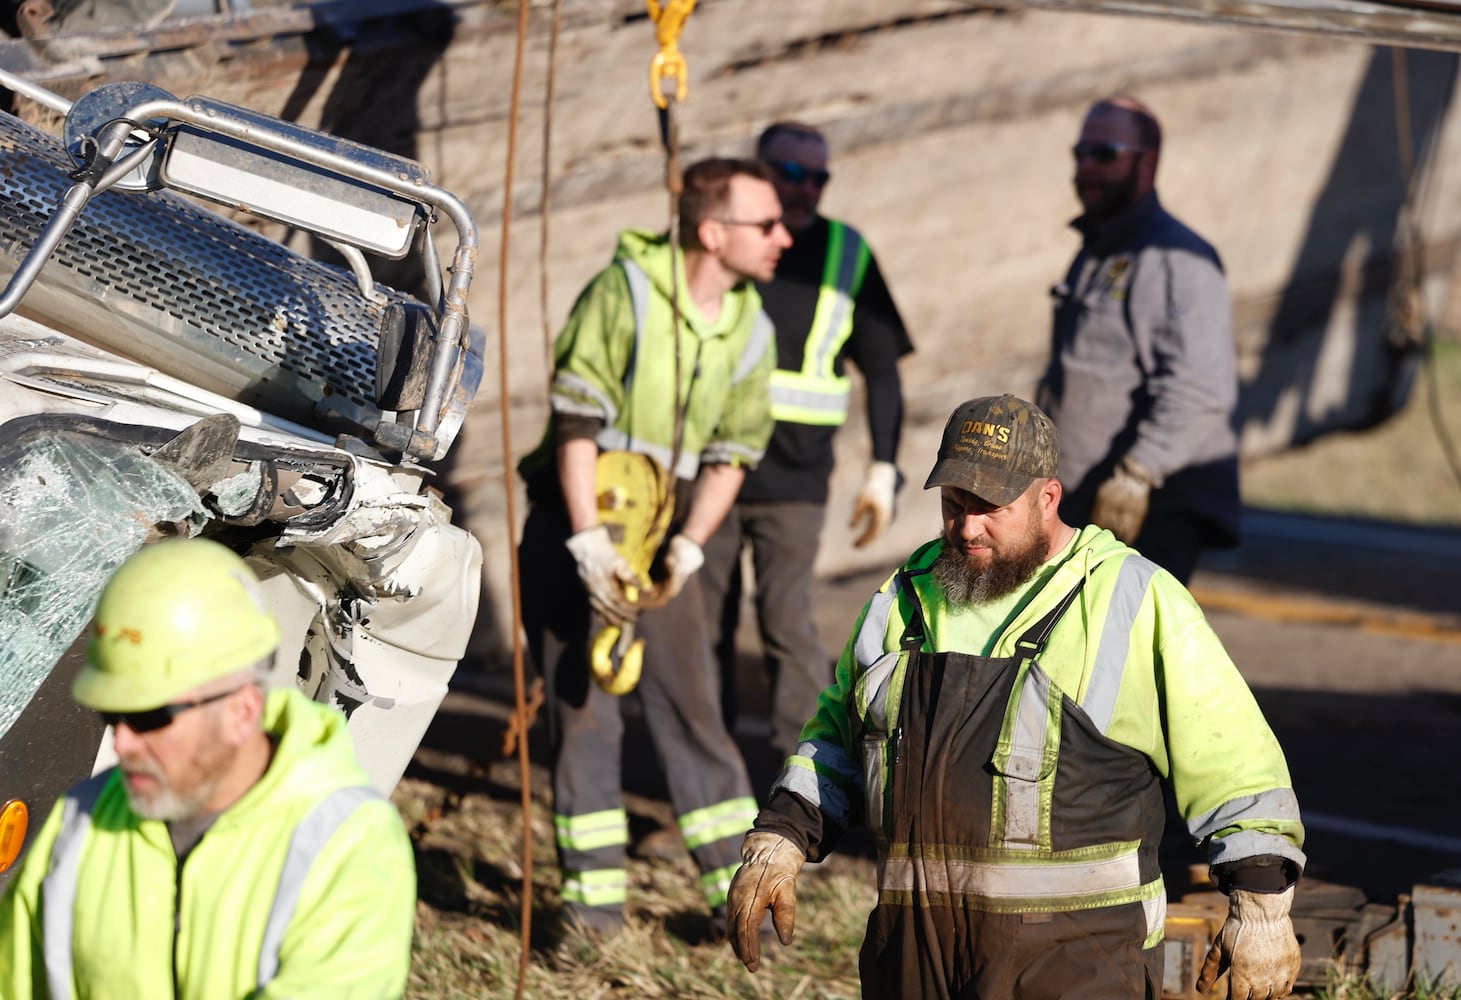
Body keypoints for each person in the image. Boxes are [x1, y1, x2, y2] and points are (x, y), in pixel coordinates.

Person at [726, 394, 1305, 999]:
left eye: (988, 508)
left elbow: (1233, 764)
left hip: (1076, 965)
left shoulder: (1131, 600)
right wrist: (780, 840)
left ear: (1046, 498)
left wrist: (1261, 909)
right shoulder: (905, 599)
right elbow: (838, 740)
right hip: (912, 963)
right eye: (954, 505)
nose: (967, 527)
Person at [517, 157, 789, 937]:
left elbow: (731, 453)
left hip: (665, 538)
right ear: (712, 232)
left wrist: (692, 546)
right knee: (585, 716)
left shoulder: (750, 327)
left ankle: (743, 904)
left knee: (693, 710)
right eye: (765, 224)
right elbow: (576, 425)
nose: (783, 237)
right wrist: (588, 546)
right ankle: (592, 919)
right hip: (580, 527)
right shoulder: (624, 292)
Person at [0, 537, 415, 998]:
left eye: (150, 717)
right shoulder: (82, 818)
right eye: (113, 716)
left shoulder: (348, 847)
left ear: (241, 710)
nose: (122, 741)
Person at [699, 120, 913, 763]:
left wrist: (883, 469)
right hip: (712, 468)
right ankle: (714, 785)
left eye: (818, 177)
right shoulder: (727, 243)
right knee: (704, 630)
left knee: (787, 625)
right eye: (792, 173)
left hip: (794, 479)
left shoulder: (847, 254)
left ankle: (802, 787)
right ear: (759, 170)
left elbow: (882, 367)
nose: (807, 189)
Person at [1037, 96, 1240, 585]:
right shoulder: (1100, 251)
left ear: (1146, 161)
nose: (1085, 167)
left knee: (1121, 657)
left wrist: (1138, 473)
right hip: (1091, 499)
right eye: (1079, 153)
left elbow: (1200, 385)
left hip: (1150, 506)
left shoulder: (1180, 259)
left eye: (1103, 153)